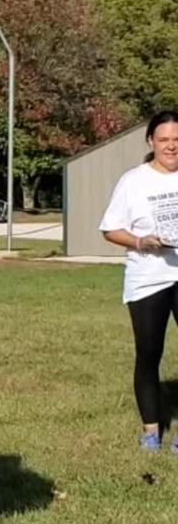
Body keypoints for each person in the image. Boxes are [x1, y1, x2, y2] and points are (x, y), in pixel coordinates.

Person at [99, 110, 178, 453]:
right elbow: (110, 229)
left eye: (177, 141)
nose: (171, 147)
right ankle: (151, 429)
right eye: (164, 140)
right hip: (148, 278)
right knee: (149, 353)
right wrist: (140, 242)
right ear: (150, 141)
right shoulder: (133, 181)